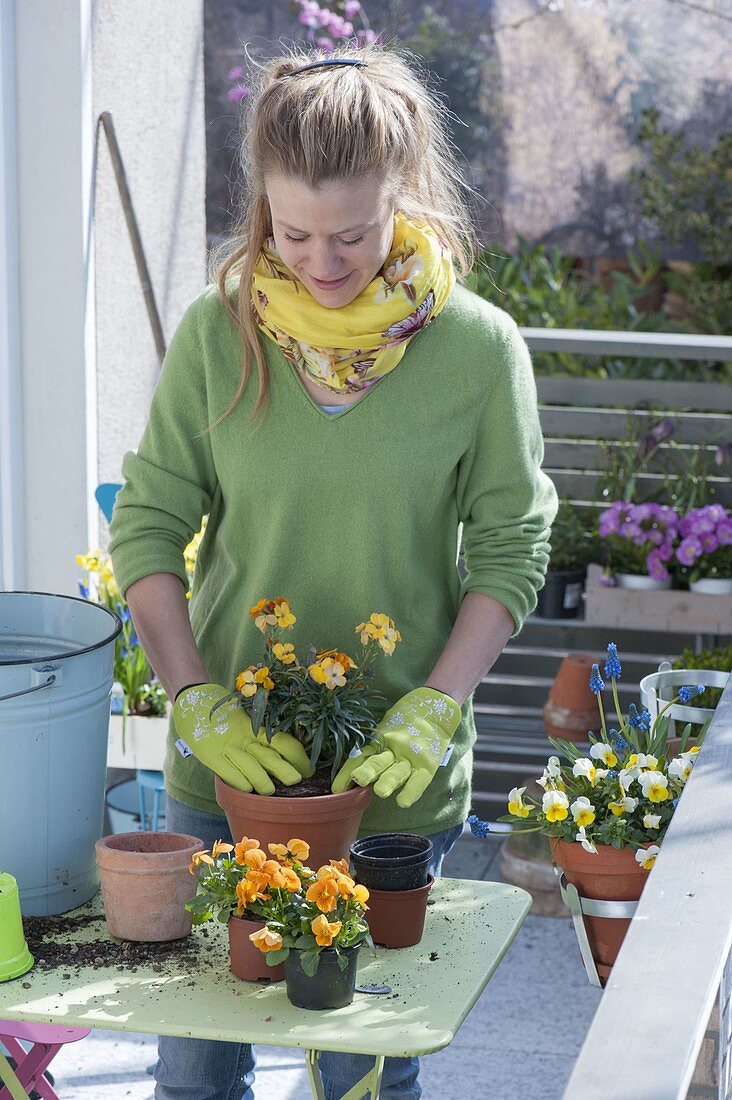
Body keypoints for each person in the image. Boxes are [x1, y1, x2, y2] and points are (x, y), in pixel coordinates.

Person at [109, 42, 557, 1100]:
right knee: (195, 1072)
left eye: (352, 233)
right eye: (293, 231)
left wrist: (438, 703)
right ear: (263, 206)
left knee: (361, 1073)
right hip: (231, 775)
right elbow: (148, 527)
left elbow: (513, 545)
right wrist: (192, 696)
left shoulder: (478, 352)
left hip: (390, 787)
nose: (320, 259)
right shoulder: (219, 341)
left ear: (404, 198)